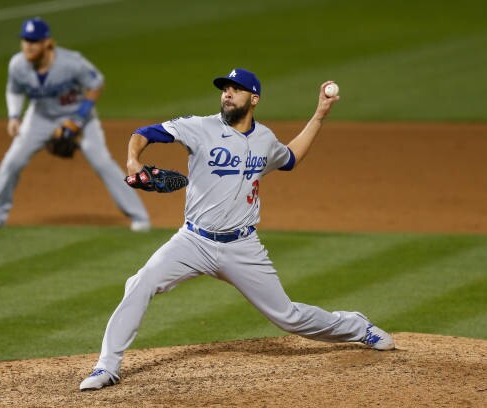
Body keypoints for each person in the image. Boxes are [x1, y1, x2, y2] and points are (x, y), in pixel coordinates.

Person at [79, 68, 395, 391]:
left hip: (242, 247)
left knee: (288, 317)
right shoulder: (200, 127)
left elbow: (290, 158)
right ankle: (107, 366)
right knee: (141, 281)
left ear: (253, 98)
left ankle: (357, 327)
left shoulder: (265, 140)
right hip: (193, 241)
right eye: (224, 89)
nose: (227, 94)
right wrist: (133, 160)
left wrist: (319, 115)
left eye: (236, 89)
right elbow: (146, 132)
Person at [0, 17, 150, 232]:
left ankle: (139, 216)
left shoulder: (71, 63)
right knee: (12, 161)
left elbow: (96, 84)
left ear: (47, 43)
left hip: (80, 116)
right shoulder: (18, 65)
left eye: (34, 41)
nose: (28, 46)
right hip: (40, 117)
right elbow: (14, 89)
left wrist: (77, 119)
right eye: (25, 40)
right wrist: (13, 116)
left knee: (102, 162)